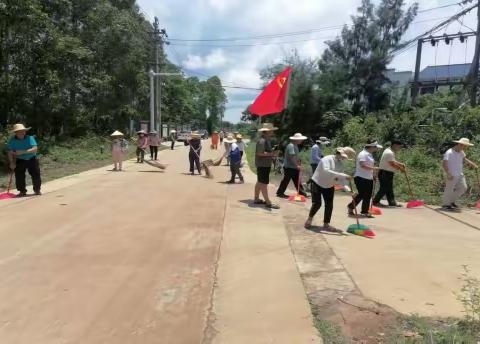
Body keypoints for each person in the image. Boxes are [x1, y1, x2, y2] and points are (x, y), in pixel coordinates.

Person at [304, 147, 356, 230]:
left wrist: (349, 191)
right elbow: (326, 171)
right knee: (317, 203)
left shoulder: (341, 164)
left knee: (329, 205)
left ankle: (326, 224)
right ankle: (309, 219)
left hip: (329, 186)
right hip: (317, 182)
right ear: (338, 153)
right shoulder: (327, 159)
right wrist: (343, 175)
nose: (344, 159)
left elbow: (341, 180)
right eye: (343, 156)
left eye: (345, 158)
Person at [347, 140, 382, 218]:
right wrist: (374, 168)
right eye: (375, 147)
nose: (376, 149)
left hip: (368, 177)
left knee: (368, 195)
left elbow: (370, 167)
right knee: (362, 194)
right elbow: (362, 165)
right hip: (360, 177)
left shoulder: (370, 154)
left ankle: (365, 211)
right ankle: (351, 206)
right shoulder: (362, 154)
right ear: (371, 147)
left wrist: (374, 175)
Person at [442, 138, 478, 211]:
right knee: (449, 189)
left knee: (463, 188)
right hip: (452, 174)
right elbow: (444, 163)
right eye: (465, 146)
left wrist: (472, 164)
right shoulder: (449, 152)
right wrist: (448, 173)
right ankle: (446, 204)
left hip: (460, 173)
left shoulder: (461, 152)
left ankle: (452, 201)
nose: (466, 148)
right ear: (460, 144)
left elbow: (465, 159)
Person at [7, 123, 42, 197]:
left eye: (23, 131)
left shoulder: (30, 138)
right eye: (20, 131)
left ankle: (37, 190)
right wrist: (11, 162)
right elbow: (10, 152)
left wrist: (23, 152)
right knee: (19, 175)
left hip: (32, 158)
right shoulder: (12, 141)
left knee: (36, 174)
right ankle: (22, 191)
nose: (23, 133)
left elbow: (35, 149)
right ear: (16, 133)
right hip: (20, 159)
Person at [372, 140, 406, 207]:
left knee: (389, 188)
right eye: (399, 147)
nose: (399, 149)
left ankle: (392, 203)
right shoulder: (389, 152)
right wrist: (400, 169)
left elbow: (392, 161)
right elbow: (392, 163)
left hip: (387, 172)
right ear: (394, 145)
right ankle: (375, 202)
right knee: (384, 188)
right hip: (385, 173)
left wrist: (400, 164)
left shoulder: (389, 151)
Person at [254, 123, 280, 209]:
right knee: (263, 183)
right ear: (267, 131)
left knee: (260, 182)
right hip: (263, 165)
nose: (272, 132)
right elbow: (259, 153)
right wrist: (272, 154)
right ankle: (268, 202)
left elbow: (264, 152)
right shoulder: (262, 141)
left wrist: (271, 152)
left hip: (263, 164)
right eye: (271, 130)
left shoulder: (266, 140)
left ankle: (256, 198)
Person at [276, 133, 308, 198]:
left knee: (297, 180)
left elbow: (296, 157)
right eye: (300, 139)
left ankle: (302, 193)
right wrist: (297, 165)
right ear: (296, 139)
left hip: (293, 167)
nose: (301, 140)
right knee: (286, 180)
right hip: (289, 167)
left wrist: (298, 163)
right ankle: (280, 193)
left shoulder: (295, 146)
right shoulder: (291, 146)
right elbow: (292, 157)